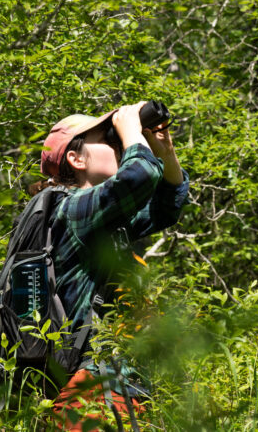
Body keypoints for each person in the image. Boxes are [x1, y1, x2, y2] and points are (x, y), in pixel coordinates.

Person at [37, 102, 189, 430]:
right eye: (106, 139)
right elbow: (139, 176)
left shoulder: (100, 218)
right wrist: (131, 128)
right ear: (76, 160)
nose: (117, 143)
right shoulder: (72, 211)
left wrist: (164, 151)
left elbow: (167, 206)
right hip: (91, 390)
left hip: (114, 386)